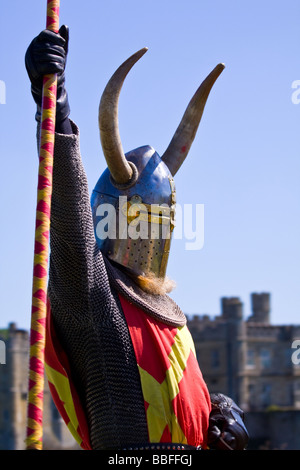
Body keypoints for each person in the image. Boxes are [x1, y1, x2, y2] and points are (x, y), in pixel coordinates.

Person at [25, 26, 249, 451]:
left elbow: (175, 384)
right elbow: (69, 216)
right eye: (147, 215)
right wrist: (54, 104)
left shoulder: (165, 307)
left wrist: (221, 409)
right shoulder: (92, 292)